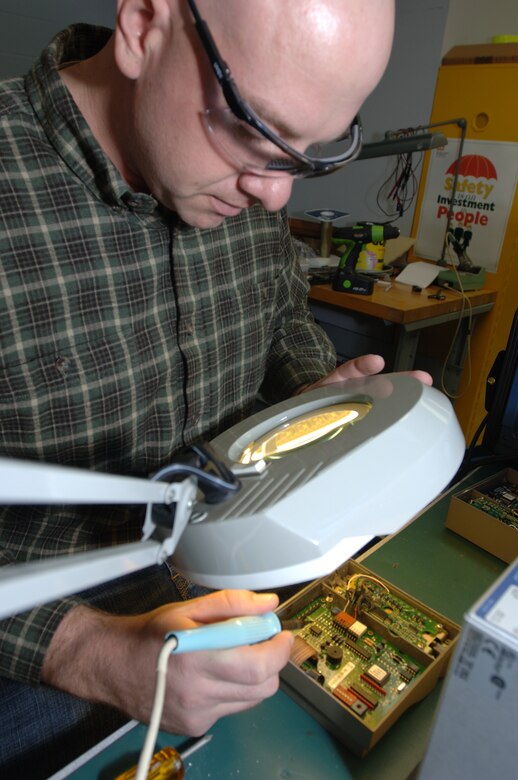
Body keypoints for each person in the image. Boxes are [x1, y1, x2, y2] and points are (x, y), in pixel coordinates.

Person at [0, 0, 428, 775]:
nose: (276, 196)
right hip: (45, 654)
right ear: (142, 27)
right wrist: (91, 652)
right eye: (256, 131)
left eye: (310, 154)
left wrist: (322, 400)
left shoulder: (248, 182)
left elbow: (282, 323)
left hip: (241, 604)